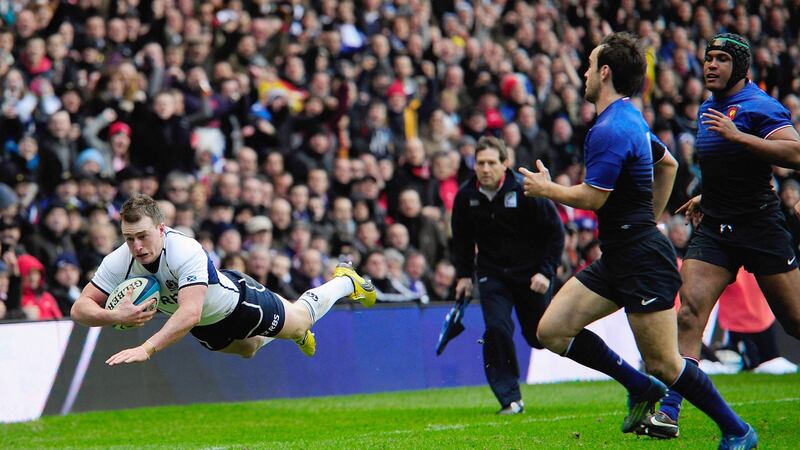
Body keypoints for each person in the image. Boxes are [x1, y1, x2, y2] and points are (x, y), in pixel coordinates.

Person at [519, 32, 756, 449]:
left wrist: (548, 189)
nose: (584, 73)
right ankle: (638, 385)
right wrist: (648, 216)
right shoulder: (629, 118)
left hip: (642, 258)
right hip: (621, 254)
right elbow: (668, 163)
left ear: (605, 72)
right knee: (552, 331)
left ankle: (738, 430)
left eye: (590, 65)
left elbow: (593, 198)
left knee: (666, 363)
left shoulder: (610, 128)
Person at [644, 33, 800, 441]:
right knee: (689, 313)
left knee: (796, 321)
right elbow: (725, 166)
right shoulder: (707, 108)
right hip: (716, 227)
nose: (711, 65)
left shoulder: (761, 107)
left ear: (740, 67)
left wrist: (738, 136)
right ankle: (669, 412)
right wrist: (706, 195)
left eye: (721, 59)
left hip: (761, 226)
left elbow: (795, 153)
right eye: (708, 58)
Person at [71, 194, 376, 364]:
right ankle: (292, 330)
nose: (136, 246)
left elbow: (189, 312)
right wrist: (113, 315)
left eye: (142, 236)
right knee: (249, 350)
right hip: (205, 326)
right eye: (128, 238)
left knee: (301, 321)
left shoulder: (184, 250)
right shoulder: (119, 260)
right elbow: (79, 308)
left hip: (241, 302)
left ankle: (346, 280)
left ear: (161, 229)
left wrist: (146, 348)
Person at [451, 136, 565, 414]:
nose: (485, 168)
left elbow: (555, 232)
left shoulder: (526, 190)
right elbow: (461, 240)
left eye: (491, 163)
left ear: (505, 164)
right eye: (480, 163)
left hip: (531, 274)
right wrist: (464, 275)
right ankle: (510, 398)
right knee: (497, 329)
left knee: (539, 337)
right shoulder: (466, 196)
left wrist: (545, 271)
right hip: (492, 274)